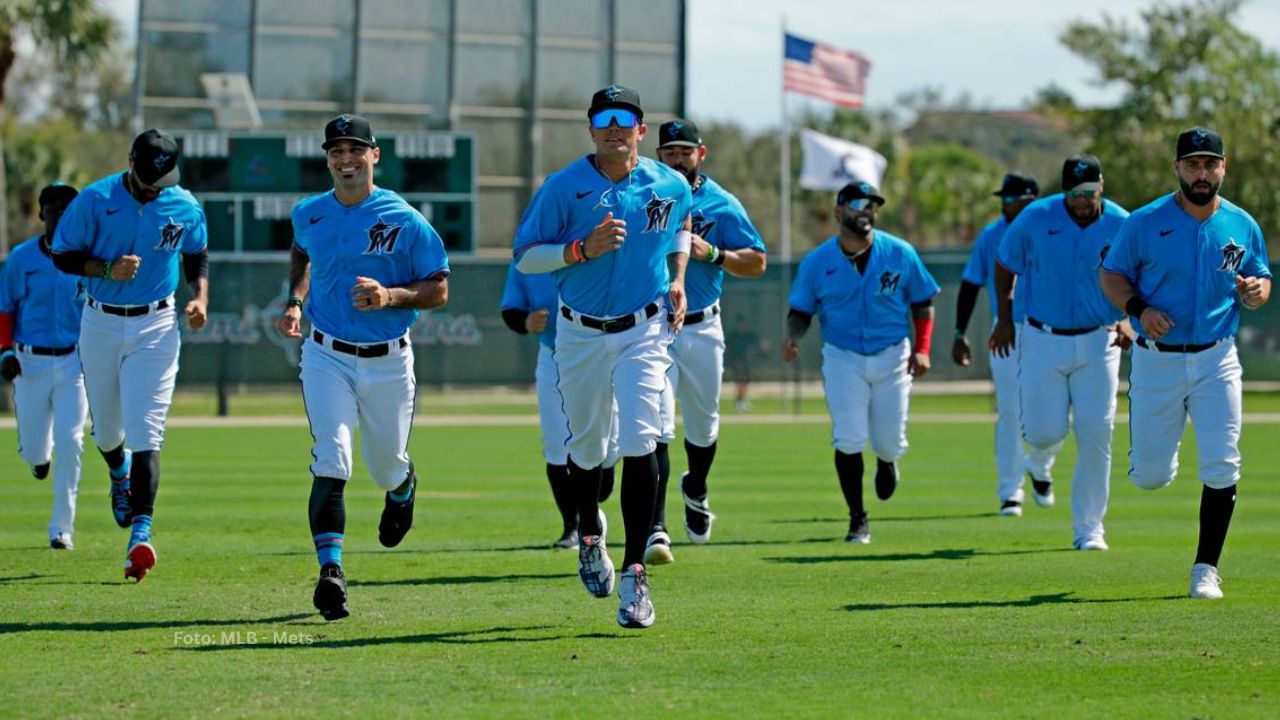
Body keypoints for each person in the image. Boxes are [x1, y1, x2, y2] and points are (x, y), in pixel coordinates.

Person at [513, 84, 692, 629]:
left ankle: (636, 575)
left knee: (641, 438)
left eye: (626, 118)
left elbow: (682, 225)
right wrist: (579, 250)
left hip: (645, 328)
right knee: (587, 448)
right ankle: (591, 530)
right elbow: (524, 258)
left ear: (642, 129)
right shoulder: (563, 187)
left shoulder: (670, 183)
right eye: (603, 118)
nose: (614, 127)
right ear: (591, 129)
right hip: (581, 333)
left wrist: (680, 278)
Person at [276, 114, 450, 621]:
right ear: (327, 158)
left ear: (375, 156)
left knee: (385, 464)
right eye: (336, 150)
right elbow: (302, 251)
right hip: (325, 351)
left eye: (356, 149)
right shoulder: (310, 212)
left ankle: (402, 486)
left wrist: (391, 295)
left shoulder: (404, 218)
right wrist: (294, 300)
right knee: (332, 457)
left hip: (389, 360)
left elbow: (439, 288)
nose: (345, 159)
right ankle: (331, 572)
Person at [1100, 127, 1270, 599]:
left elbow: (1259, 277)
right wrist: (1138, 310)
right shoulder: (1144, 221)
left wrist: (1257, 292)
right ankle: (1157, 457)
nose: (1201, 172)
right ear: (1176, 167)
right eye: (1192, 164)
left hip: (1218, 357)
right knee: (1151, 477)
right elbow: (1111, 274)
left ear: (1223, 167)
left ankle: (1205, 569)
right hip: (1158, 362)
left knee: (1222, 463)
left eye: (1209, 163)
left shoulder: (1241, 223)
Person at [52, 130, 210, 581]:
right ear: (130, 163)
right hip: (100, 320)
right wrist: (105, 269)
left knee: (148, 431)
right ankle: (117, 471)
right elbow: (63, 256)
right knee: (105, 431)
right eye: (146, 179)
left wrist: (199, 298)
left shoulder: (184, 204)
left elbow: (197, 255)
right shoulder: (95, 199)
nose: (154, 187)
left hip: (156, 325)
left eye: (161, 180)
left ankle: (140, 535)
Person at [781, 181, 939, 544]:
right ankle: (857, 518)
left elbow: (923, 302)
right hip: (843, 356)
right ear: (839, 212)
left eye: (872, 205)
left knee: (889, 442)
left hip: (891, 354)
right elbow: (801, 310)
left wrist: (923, 347)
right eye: (857, 204)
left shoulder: (899, 252)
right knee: (849, 438)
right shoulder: (818, 261)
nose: (865, 211)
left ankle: (887, 461)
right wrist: (792, 336)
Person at [989, 155, 1130, 551]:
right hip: (1041, 338)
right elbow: (1004, 267)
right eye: (1074, 194)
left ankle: (1089, 528)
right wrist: (1003, 319)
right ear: (1064, 192)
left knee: (1097, 432)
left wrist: (1129, 319)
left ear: (1101, 185)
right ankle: (1039, 460)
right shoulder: (1035, 218)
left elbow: (1143, 275)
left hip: (1099, 339)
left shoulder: (1123, 223)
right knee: (1043, 431)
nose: (1082, 201)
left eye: (1089, 193)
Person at [646, 118, 767, 564]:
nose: (678, 159)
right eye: (670, 151)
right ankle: (655, 527)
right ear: (658, 155)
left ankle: (695, 485)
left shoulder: (721, 203)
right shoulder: (646, 192)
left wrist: (713, 253)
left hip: (701, 324)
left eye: (685, 151)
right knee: (655, 425)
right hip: (654, 324)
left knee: (703, 425)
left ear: (702, 153)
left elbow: (757, 262)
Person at [953, 173, 1059, 516]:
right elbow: (971, 283)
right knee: (1010, 410)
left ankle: (1040, 467)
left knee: (1059, 413)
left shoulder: (1057, 226)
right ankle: (1010, 491)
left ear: (1030, 200)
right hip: (1007, 331)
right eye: (1004, 200)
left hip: (1054, 331)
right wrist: (959, 333)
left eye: (1012, 200)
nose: (1005, 206)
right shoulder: (992, 234)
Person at [499, 261, 619, 549]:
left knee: (610, 447)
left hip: (601, 352)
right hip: (553, 355)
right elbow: (511, 309)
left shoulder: (593, 247)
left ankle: (593, 497)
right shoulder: (528, 257)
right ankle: (573, 526)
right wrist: (525, 321)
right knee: (556, 445)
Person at [0, 183, 90, 549]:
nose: (61, 216)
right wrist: (5, 352)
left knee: (71, 441)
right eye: (54, 210)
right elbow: (5, 309)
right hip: (30, 363)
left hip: (73, 362)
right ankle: (38, 458)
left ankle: (61, 528)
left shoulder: (88, 260)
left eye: (69, 210)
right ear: (42, 215)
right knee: (37, 450)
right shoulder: (22, 259)